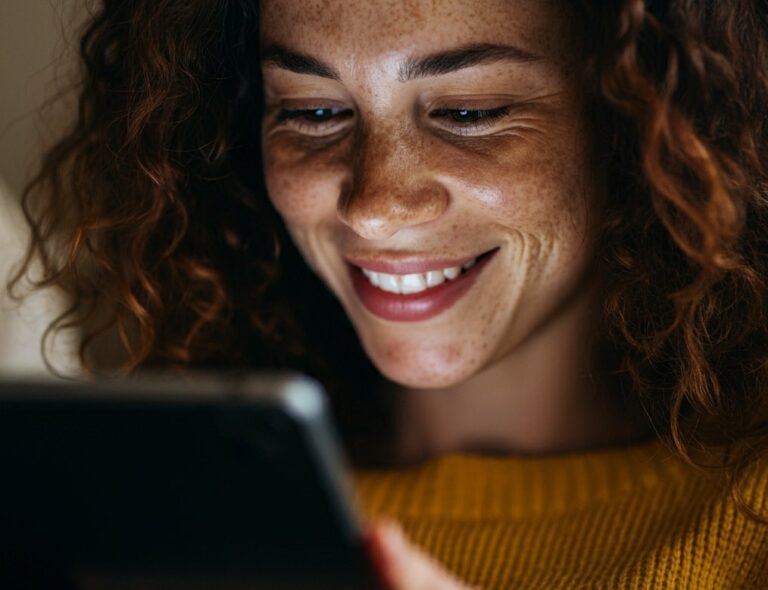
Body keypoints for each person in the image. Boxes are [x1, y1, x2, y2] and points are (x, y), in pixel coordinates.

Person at [11, 0, 768, 587]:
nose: (373, 203)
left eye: (468, 113)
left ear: (646, 124)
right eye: (313, 113)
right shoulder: (157, 525)